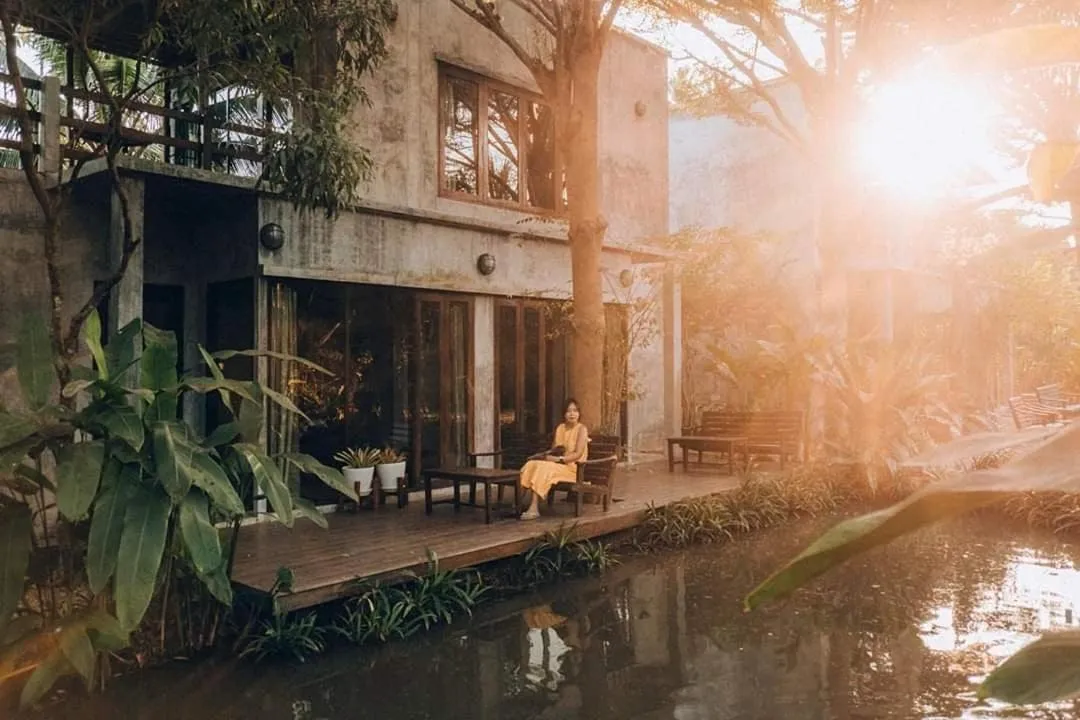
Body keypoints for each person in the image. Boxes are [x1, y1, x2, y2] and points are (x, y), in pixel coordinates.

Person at [518, 399, 588, 520]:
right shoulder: (561, 428)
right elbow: (555, 449)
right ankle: (518, 502)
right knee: (531, 464)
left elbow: (578, 454)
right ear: (564, 414)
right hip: (558, 466)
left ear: (579, 413)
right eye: (568, 411)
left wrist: (559, 459)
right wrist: (543, 455)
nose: (572, 414)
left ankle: (534, 507)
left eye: (575, 411)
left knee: (544, 468)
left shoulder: (582, 429)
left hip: (573, 470)